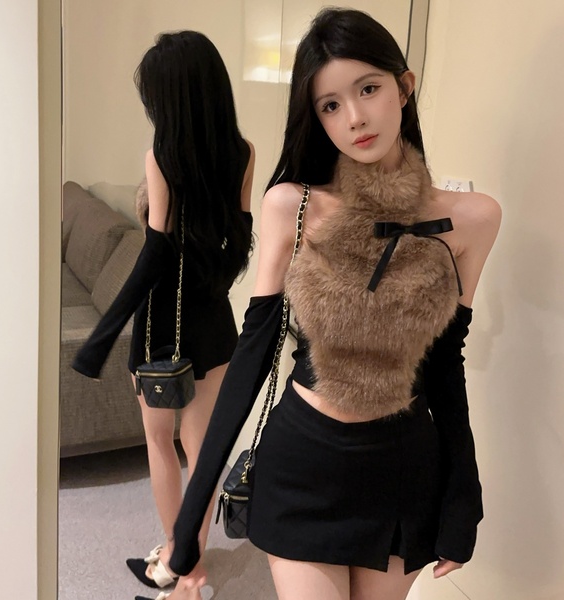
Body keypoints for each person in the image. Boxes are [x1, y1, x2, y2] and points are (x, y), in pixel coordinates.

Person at [162, 8, 501, 600]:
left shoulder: (472, 219)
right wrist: (192, 513)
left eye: (368, 89)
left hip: (402, 470)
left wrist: (463, 498)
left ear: (404, 86)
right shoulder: (292, 205)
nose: (355, 118)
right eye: (330, 105)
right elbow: (253, 354)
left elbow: (447, 365)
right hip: (304, 463)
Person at [71, 30, 255, 596]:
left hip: (161, 324)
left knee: (160, 442)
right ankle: (187, 559)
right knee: (202, 451)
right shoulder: (242, 152)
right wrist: (208, 281)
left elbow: (154, 256)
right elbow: (240, 242)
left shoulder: (162, 157)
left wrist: (102, 338)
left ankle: (179, 561)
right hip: (214, 321)